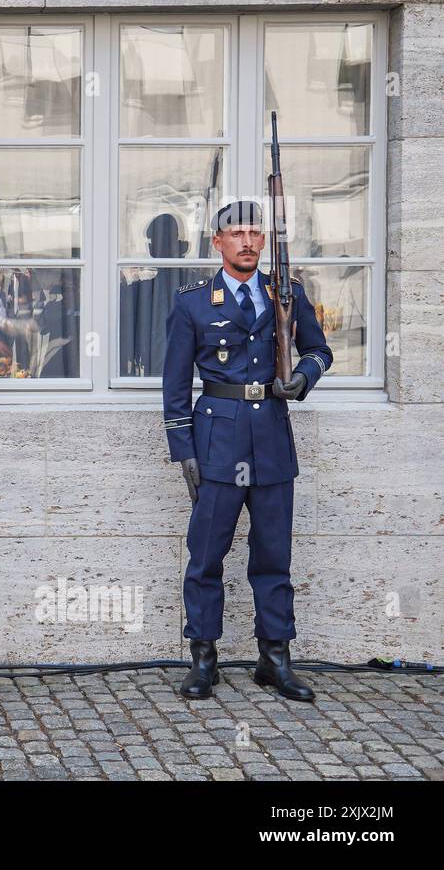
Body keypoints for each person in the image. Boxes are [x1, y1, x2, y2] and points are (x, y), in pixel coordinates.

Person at [162, 200, 333, 702]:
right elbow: (174, 385)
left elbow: (320, 351)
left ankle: (274, 658)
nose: (248, 241)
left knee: (274, 554)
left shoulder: (288, 292)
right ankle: (203, 658)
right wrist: (183, 450)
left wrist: (302, 379)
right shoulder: (193, 303)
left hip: (273, 440)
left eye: (255, 232)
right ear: (217, 242)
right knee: (207, 555)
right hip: (217, 440)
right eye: (236, 233)